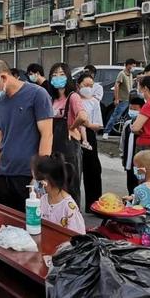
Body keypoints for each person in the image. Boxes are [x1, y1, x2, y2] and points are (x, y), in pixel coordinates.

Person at [0, 58, 53, 211]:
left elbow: (47, 135)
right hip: (5, 172)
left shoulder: (37, 94)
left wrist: (39, 177)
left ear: (4, 77)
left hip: (28, 174)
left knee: (30, 224)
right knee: (7, 222)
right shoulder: (0, 102)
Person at [49, 63, 89, 205]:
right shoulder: (52, 99)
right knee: (55, 186)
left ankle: (72, 223)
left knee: (70, 186)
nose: (57, 77)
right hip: (53, 148)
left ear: (68, 77)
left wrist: (72, 127)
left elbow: (83, 116)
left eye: (61, 74)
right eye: (54, 75)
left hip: (69, 148)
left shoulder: (73, 97)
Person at [32, 153, 86, 234]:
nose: (35, 184)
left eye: (37, 180)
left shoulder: (69, 207)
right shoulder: (43, 200)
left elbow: (79, 236)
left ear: (45, 182)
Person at [76, 72, 104, 209]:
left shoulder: (94, 102)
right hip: (74, 132)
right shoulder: (74, 99)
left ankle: (93, 204)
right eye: (85, 85)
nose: (88, 88)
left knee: (92, 169)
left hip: (89, 134)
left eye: (91, 86)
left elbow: (98, 125)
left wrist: (86, 124)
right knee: (74, 169)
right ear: (78, 85)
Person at [103, 59, 136, 140]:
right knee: (116, 116)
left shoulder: (130, 74)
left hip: (129, 99)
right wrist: (117, 98)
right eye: (133, 66)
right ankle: (106, 132)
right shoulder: (122, 74)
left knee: (129, 117)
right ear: (128, 65)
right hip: (122, 99)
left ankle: (127, 133)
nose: (134, 67)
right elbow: (116, 85)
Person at [120, 96, 145, 195]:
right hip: (128, 160)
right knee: (130, 181)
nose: (132, 111)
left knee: (139, 181)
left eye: (135, 109)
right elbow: (123, 141)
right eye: (131, 108)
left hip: (139, 162)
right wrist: (122, 155)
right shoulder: (127, 124)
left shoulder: (143, 126)